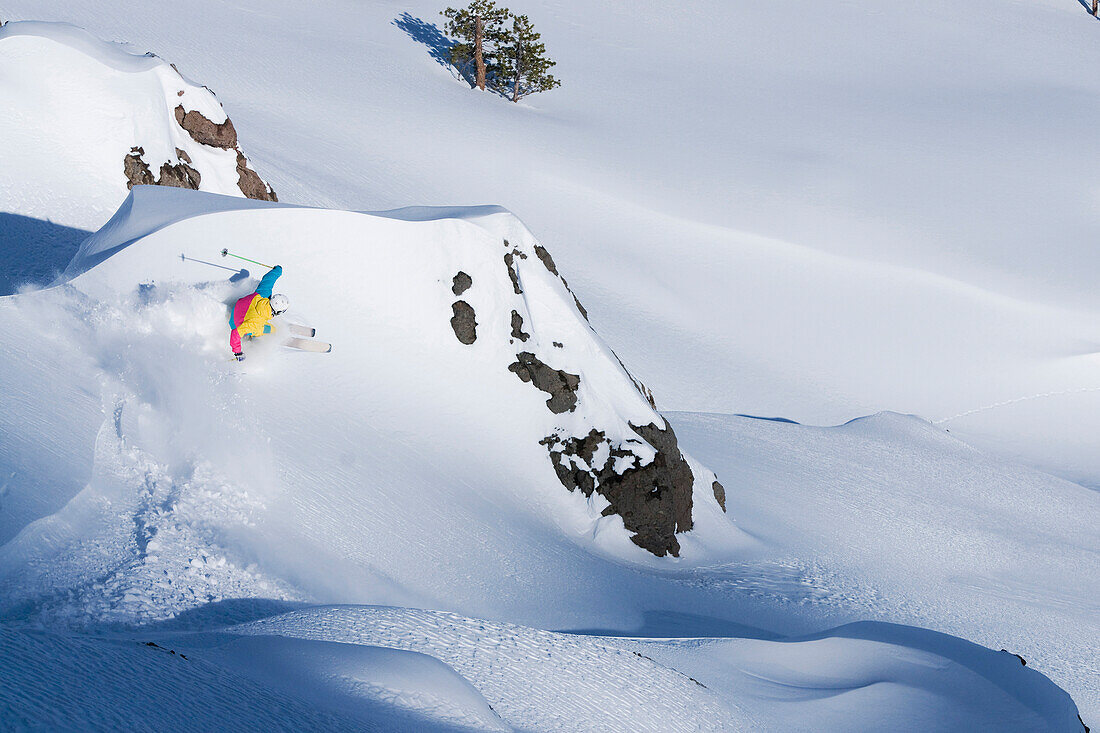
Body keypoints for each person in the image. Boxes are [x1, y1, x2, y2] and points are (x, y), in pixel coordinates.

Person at [230, 265, 288, 361]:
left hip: (240, 307)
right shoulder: (256, 324)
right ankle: (252, 338)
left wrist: (278, 271)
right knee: (270, 329)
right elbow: (235, 333)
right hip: (235, 322)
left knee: (260, 325)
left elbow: (268, 279)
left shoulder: (264, 293)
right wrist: (238, 352)